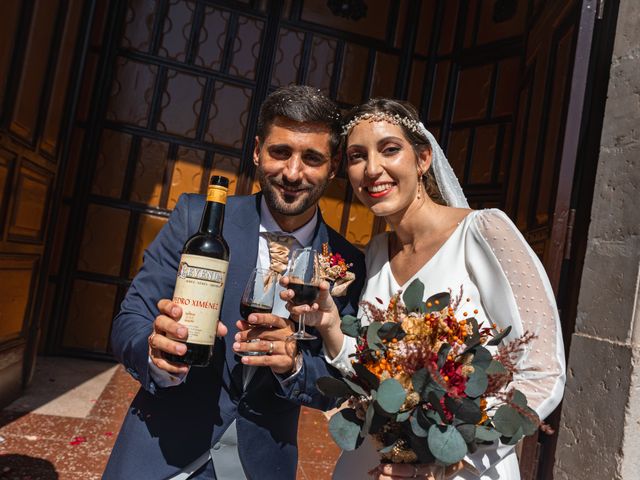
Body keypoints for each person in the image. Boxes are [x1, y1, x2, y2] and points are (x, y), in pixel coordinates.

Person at [282, 98, 566, 480]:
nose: (372, 169)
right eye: (356, 156)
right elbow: (369, 375)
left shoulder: (484, 233)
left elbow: (543, 372)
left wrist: (447, 456)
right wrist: (331, 326)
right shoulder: (375, 254)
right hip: (370, 464)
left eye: (389, 150)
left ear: (423, 159)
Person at [103, 85, 365, 480]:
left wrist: (294, 366)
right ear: (257, 151)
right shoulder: (196, 218)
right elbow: (130, 320)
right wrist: (156, 353)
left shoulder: (348, 262)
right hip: (159, 456)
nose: (293, 173)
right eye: (281, 152)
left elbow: (341, 377)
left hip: (261, 465)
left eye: (312, 158)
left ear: (334, 166)